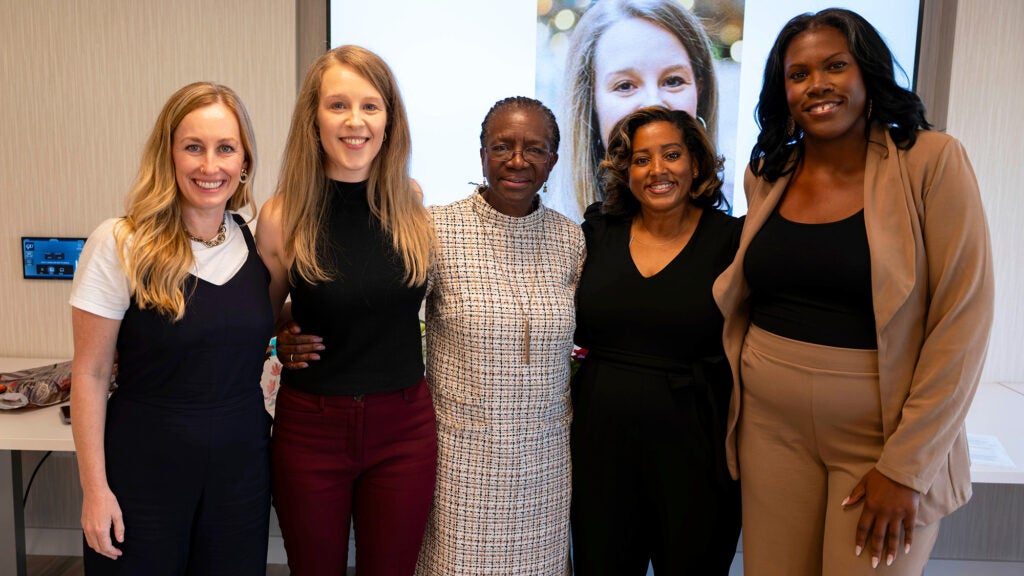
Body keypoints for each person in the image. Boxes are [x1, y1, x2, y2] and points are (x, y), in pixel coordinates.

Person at [712, 8, 994, 575]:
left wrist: (907, 468)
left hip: (882, 436)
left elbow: (962, 321)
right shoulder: (769, 171)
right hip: (770, 429)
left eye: (835, 66)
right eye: (798, 74)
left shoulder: (931, 162)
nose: (817, 85)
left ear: (867, 73)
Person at [278, 96, 585, 574]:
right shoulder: (437, 227)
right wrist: (290, 324)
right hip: (460, 458)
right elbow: (372, 301)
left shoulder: (571, 239)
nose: (518, 161)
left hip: (542, 461)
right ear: (481, 153)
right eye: (502, 146)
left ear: (554, 160)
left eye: (536, 149)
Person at [70, 82, 272, 574]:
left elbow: (244, 330)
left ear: (244, 161)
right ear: (168, 155)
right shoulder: (119, 242)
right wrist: (95, 491)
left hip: (240, 473)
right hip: (144, 470)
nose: (210, 166)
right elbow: (91, 374)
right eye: (193, 147)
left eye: (226, 148)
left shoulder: (255, 239)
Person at [254, 45, 437, 575]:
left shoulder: (411, 200)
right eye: (338, 105)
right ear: (314, 118)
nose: (355, 121)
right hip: (311, 430)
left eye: (370, 106)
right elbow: (257, 319)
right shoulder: (282, 215)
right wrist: (279, 335)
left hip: (403, 428)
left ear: (389, 120)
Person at [571, 106, 741, 575]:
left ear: (697, 164)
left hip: (696, 445)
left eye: (671, 155)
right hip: (600, 443)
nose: (657, 170)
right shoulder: (597, 234)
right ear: (626, 171)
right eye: (642, 159)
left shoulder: (733, 241)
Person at [561, 0, 719, 219]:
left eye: (673, 81)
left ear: (700, 91)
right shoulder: (563, 237)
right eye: (625, 86)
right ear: (591, 103)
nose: (653, 103)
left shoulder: (734, 236)